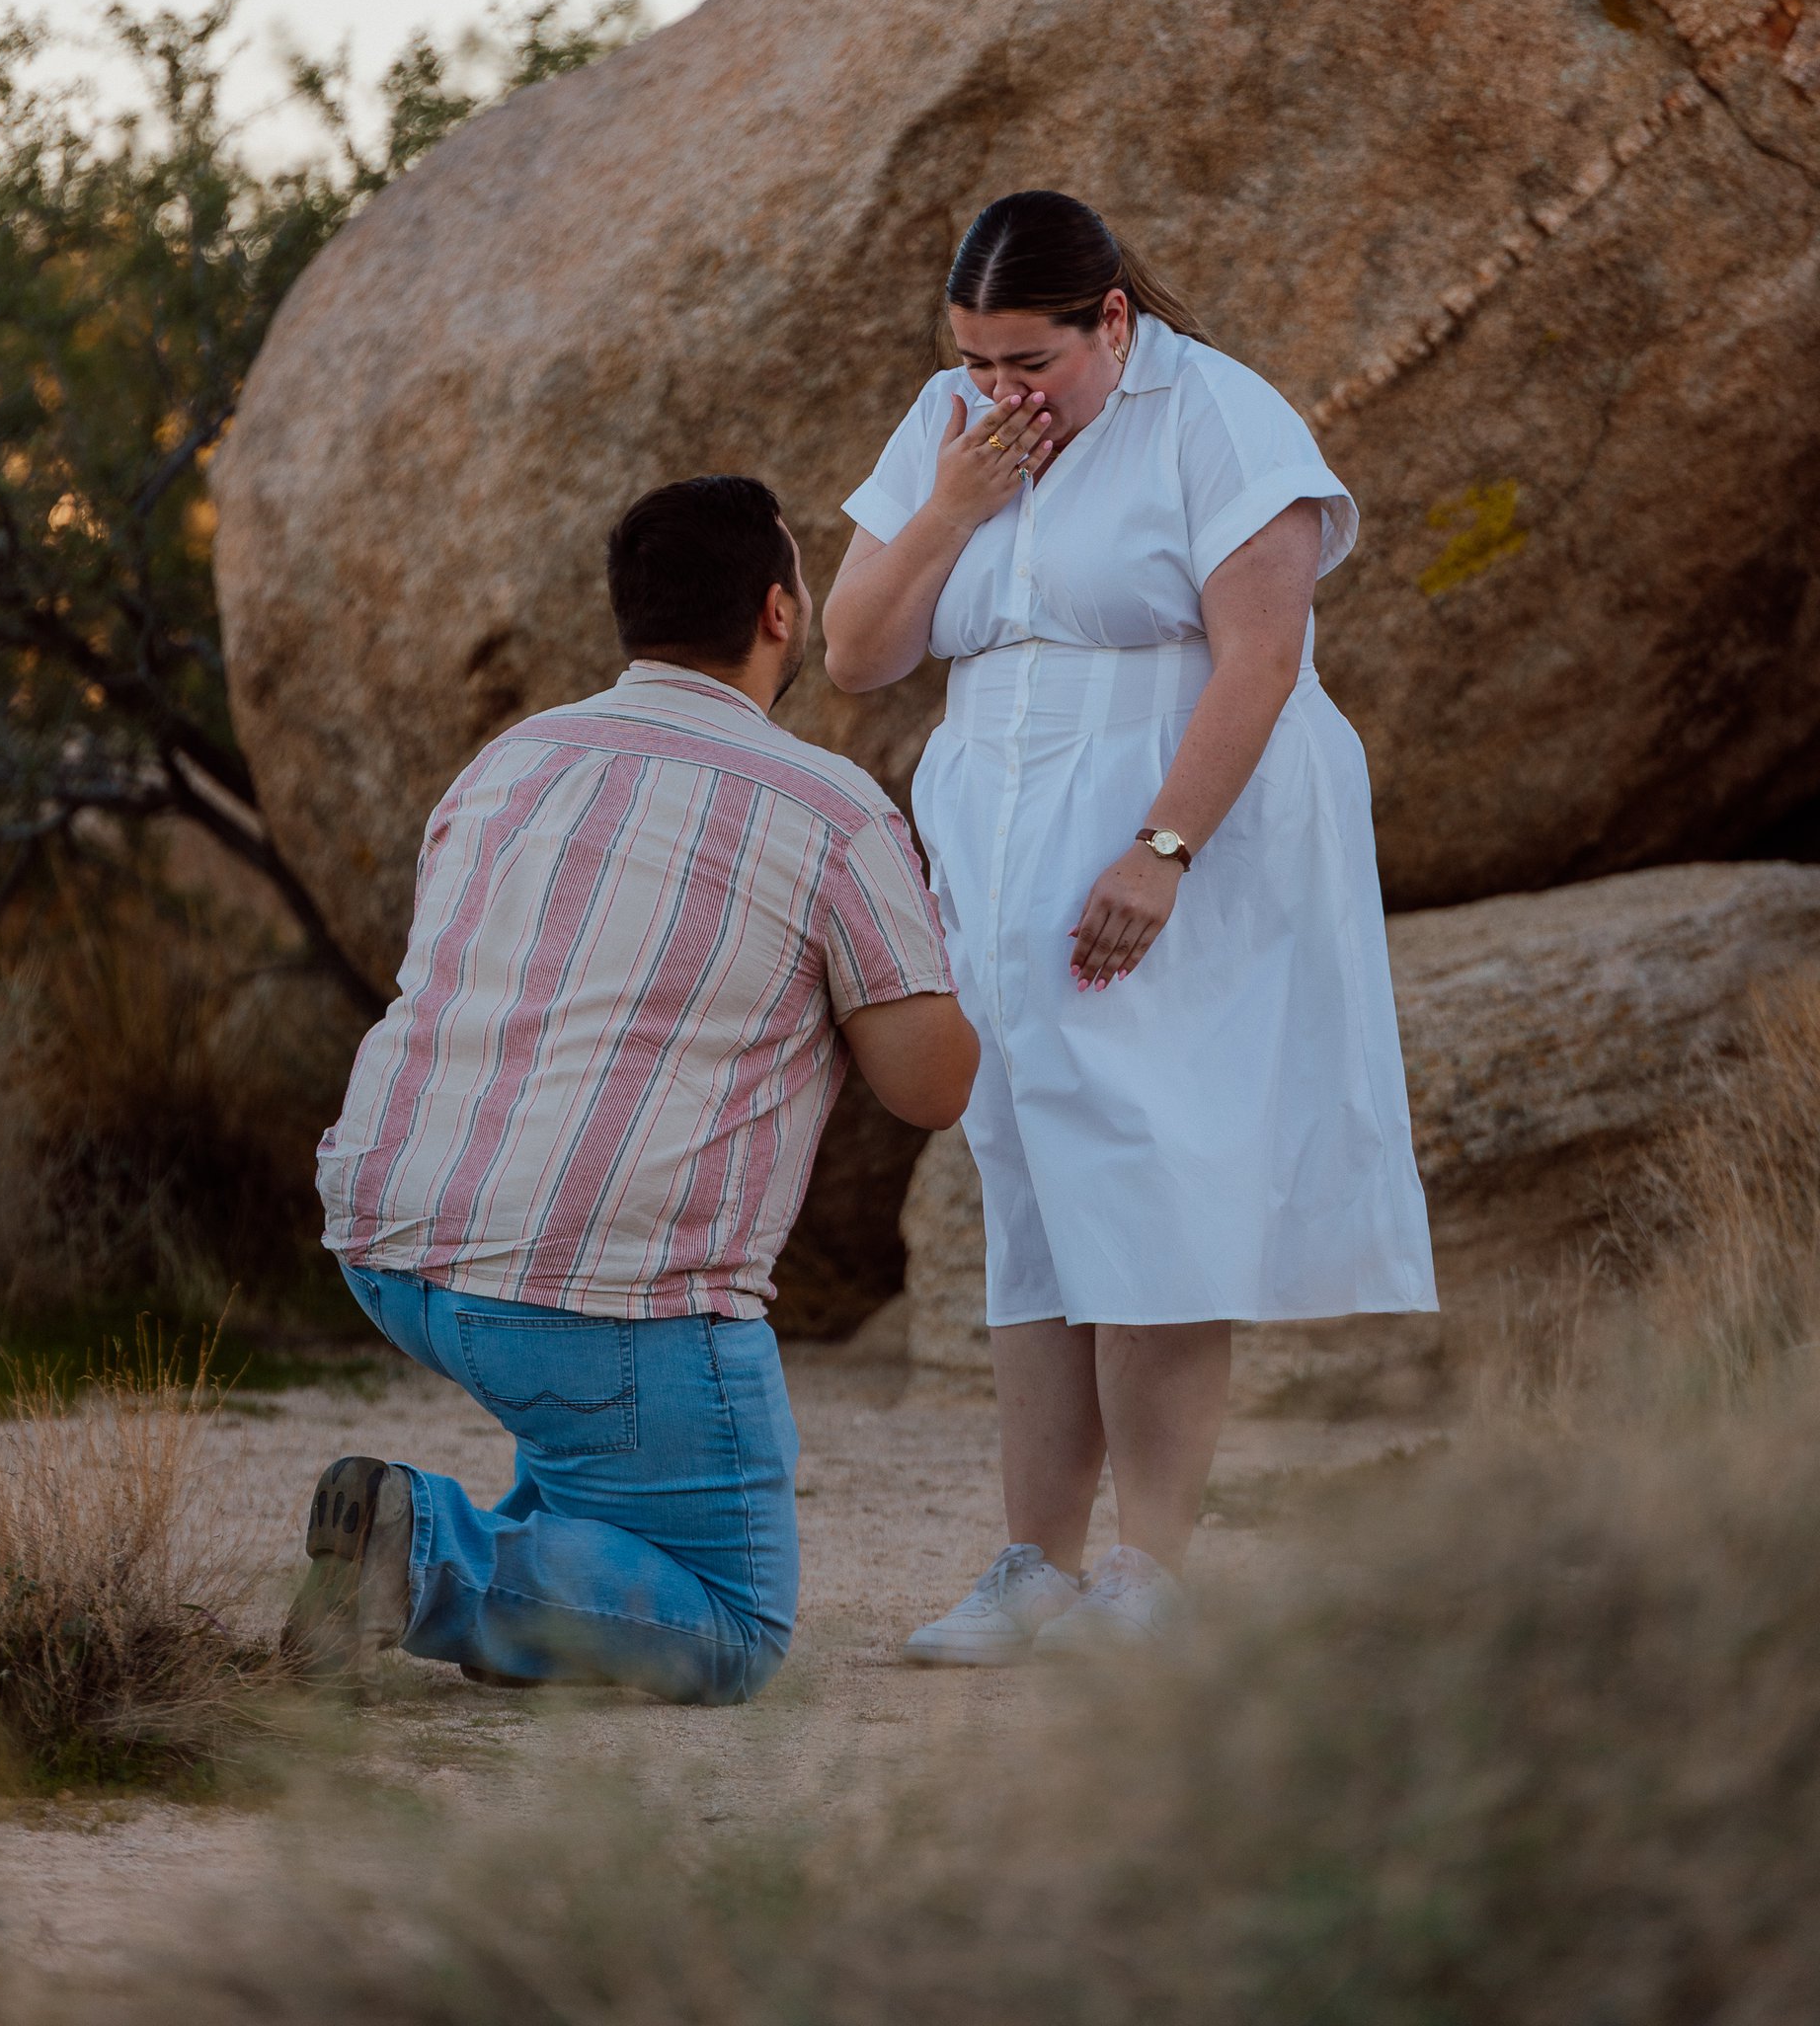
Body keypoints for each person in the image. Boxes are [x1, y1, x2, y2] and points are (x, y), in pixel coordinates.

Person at [825, 192, 1436, 1663]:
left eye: (1029, 361)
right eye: (975, 358)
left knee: (1153, 1175)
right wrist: (953, 504)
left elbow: (1262, 657)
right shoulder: (952, 428)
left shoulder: (1217, 415)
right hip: (996, 827)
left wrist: (1162, 850)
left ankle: (1149, 1575)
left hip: (1172, 824)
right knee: (1029, 1184)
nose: (1001, 391)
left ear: (1111, 321)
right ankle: (1032, 1566)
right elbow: (854, 652)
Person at [285, 475, 977, 1703]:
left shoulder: (511, 762)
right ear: (779, 612)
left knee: (585, 1418)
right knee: (731, 1626)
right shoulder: (832, 810)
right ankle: (426, 1551)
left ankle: (513, 1575)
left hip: (391, 1244)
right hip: (593, 1291)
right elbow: (929, 1088)